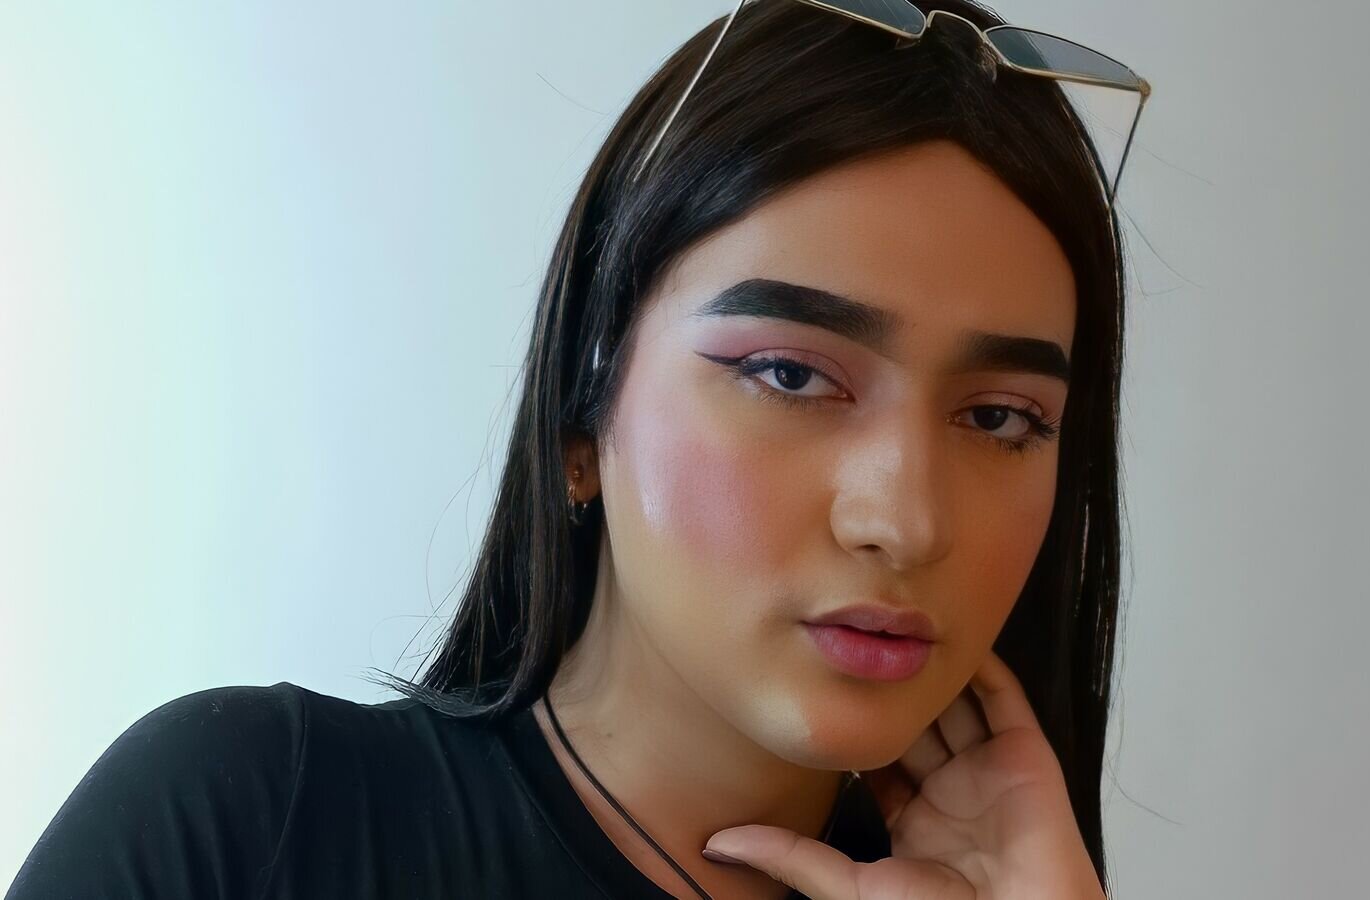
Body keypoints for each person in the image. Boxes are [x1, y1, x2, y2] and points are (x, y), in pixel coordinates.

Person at [8, 0, 1143, 897]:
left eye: (1000, 418)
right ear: (579, 418)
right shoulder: (255, 826)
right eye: (791, 375)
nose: (905, 520)